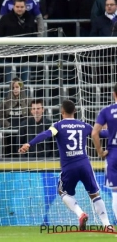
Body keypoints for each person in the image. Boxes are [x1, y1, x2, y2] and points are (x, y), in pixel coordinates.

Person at [19, 100, 112, 230]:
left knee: (62, 191)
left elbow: (45, 134)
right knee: (95, 195)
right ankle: (107, 225)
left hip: (69, 166)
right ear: (75, 111)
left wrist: (30, 144)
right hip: (85, 164)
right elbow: (102, 134)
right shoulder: (84, 125)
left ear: (62, 112)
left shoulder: (58, 126)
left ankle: (80, 213)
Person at [92, 83, 117, 224]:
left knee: (115, 192)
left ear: (114, 94)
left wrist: (100, 152)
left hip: (113, 154)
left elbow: (95, 132)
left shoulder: (107, 111)